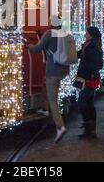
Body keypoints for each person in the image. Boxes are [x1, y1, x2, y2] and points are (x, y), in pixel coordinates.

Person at [28, 15, 70, 143]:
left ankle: (60, 126)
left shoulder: (49, 34)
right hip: (64, 70)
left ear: (51, 23)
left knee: (53, 100)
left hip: (53, 71)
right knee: (45, 84)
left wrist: (28, 45)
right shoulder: (65, 33)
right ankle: (44, 109)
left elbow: (37, 49)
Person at [76, 27, 103, 139]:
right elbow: (78, 55)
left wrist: (87, 66)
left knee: (82, 103)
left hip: (89, 79)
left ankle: (88, 128)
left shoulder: (93, 48)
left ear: (91, 35)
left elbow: (99, 65)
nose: (85, 35)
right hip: (86, 78)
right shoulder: (87, 46)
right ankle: (91, 131)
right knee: (89, 103)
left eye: (87, 33)